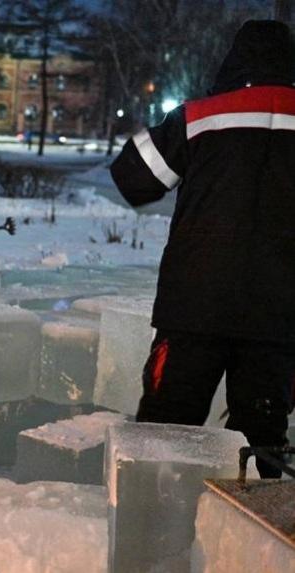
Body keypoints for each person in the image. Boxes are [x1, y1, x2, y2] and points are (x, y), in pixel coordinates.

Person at [110, 20, 295, 478]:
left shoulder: (200, 117)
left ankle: (153, 533)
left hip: (193, 306)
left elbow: (132, 176)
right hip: (279, 315)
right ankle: (256, 540)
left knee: (166, 429)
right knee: (264, 440)